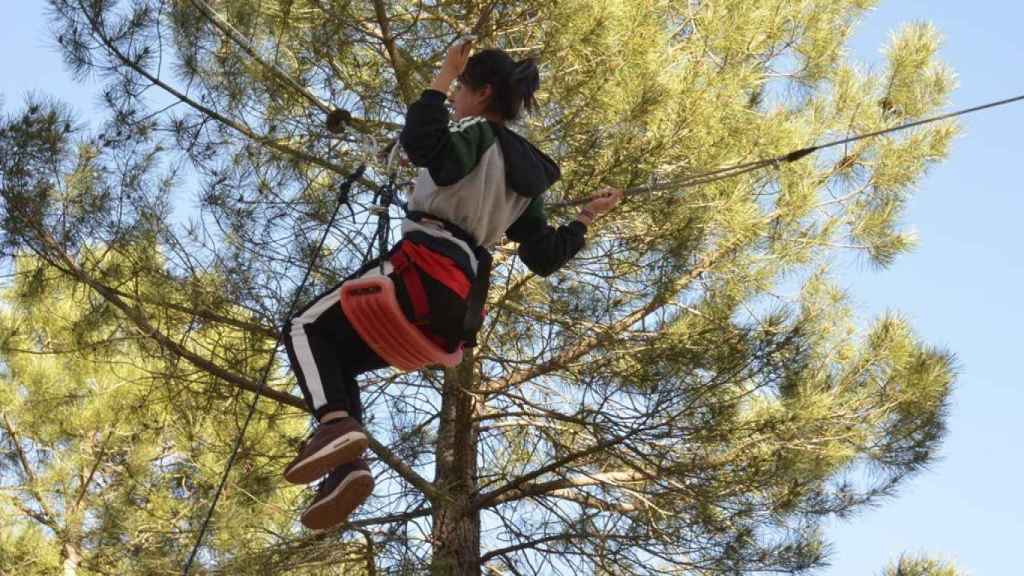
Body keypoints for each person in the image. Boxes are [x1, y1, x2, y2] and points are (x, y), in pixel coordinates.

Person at [281, 39, 623, 530]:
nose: (455, 97)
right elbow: (543, 256)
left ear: (481, 93)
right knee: (336, 360)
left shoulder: (476, 133)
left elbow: (426, 146)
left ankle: (335, 426)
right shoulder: (525, 176)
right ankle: (345, 466)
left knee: (301, 328)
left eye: (461, 89)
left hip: (422, 267)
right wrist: (587, 218)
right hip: (456, 308)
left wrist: (440, 76)